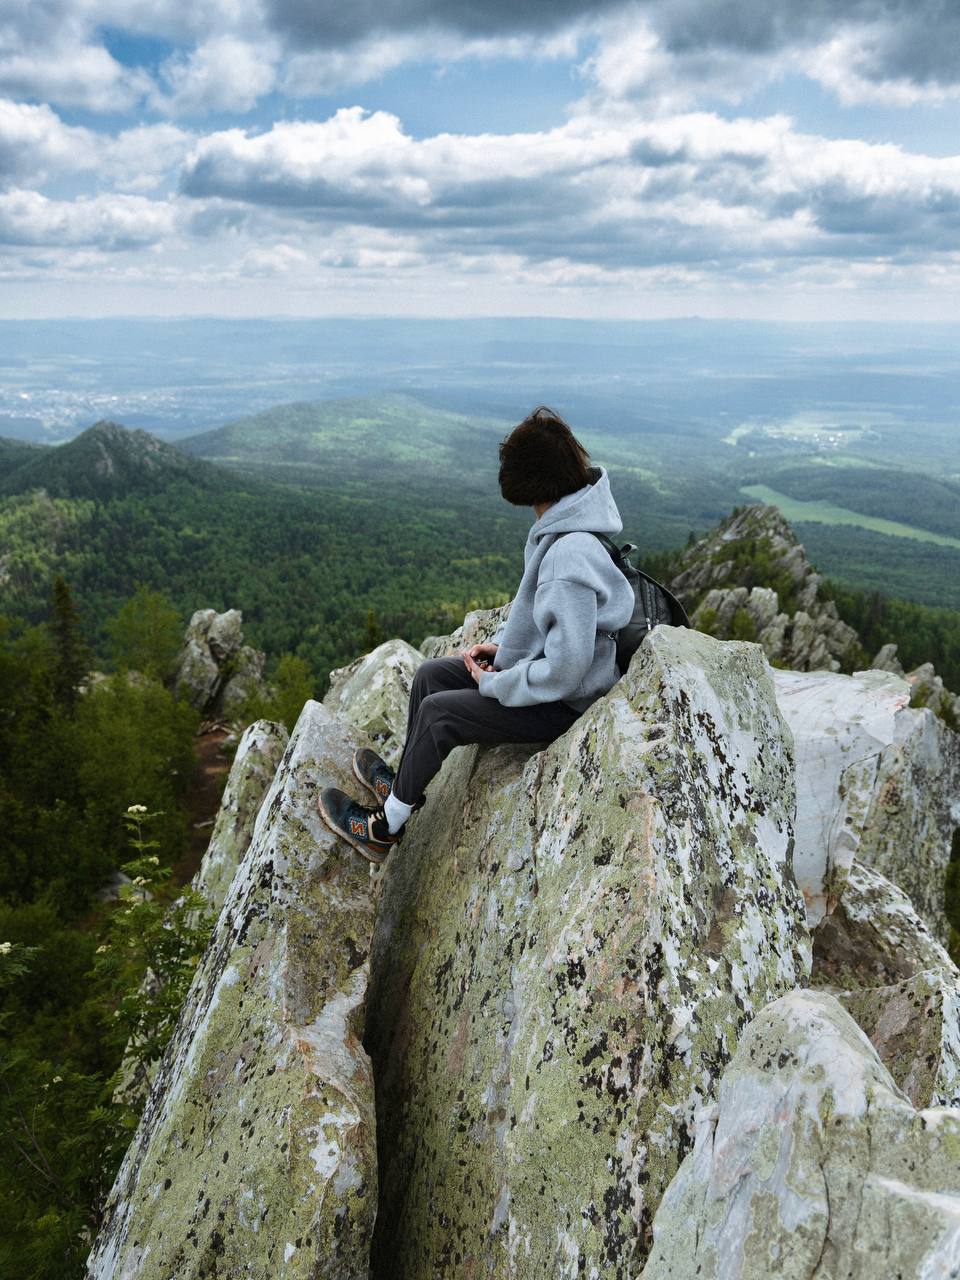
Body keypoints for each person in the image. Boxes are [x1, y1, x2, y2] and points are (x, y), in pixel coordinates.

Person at [317, 405, 636, 863]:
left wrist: (495, 682)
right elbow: (559, 628)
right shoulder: (567, 525)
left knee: (439, 714)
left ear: (531, 481)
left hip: (566, 705)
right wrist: (506, 649)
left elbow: (568, 670)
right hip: (546, 677)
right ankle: (407, 782)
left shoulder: (570, 555)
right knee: (430, 675)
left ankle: (384, 829)